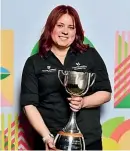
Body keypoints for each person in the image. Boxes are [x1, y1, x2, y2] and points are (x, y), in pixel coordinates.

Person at [20, 5, 112, 150]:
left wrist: (84, 102)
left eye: (71, 27)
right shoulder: (34, 62)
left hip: (88, 140)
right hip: (51, 141)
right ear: (51, 28)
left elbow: (105, 92)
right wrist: (46, 136)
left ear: (76, 31)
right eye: (60, 25)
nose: (65, 31)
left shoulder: (90, 55)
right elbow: (29, 105)